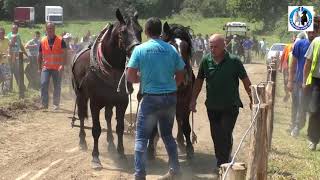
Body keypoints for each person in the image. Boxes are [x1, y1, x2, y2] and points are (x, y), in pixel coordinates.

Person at [126, 17, 185, 180]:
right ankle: (175, 169)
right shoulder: (172, 49)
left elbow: (130, 76)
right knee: (167, 135)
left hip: (151, 99)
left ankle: (139, 174)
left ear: (145, 31)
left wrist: (141, 78)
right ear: (160, 32)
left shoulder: (140, 49)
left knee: (141, 138)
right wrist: (174, 84)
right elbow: (181, 72)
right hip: (170, 98)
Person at [189, 34, 252, 169]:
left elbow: (246, 81)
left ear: (224, 45)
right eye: (210, 46)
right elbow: (199, 82)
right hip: (212, 106)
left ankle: (223, 163)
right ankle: (222, 160)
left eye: (215, 47)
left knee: (225, 133)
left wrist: (253, 98)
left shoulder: (234, 61)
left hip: (230, 106)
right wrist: (193, 99)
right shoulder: (206, 61)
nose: (212, 49)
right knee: (216, 136)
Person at [37, 22, 67, 110]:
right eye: (48, 28)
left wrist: (62, 65)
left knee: (57, 86)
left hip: (57, 68)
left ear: (54, 29)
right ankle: (44, 104)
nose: (50, 30)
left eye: (52, 28)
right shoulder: (42, 41)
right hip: (46, 67)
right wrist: (39, 68)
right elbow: (39, 55)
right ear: (46, 30)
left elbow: (65, 54)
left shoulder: (61, 41)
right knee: (43, 83)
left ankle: (56, 104)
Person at [287, 31, 311, 137]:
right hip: (298, 80)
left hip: (311, 82)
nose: (313, 32)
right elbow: (293, 63)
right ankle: (293, 124)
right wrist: (290, 81)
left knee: (302, 105)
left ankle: (297, 126)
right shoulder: (299, 44)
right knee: (295, 104)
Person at [303, 24, 320, 151]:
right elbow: (308, 62)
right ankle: (313, 140)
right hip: (317, 82)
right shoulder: (316, 41)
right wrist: (304, 81)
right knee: (314, 111)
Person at [7, 24, 28, 91]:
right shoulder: (9, 36)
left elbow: (21, 45)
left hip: (17, 57)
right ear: (11, 29)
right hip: (10, 57)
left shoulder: (18, 36)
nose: (16, 30)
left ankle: (21, 87)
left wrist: (26, 54)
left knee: (17, 72)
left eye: (17, 29)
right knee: (10, 73)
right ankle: (9, 89)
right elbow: (9, 45)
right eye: (14, 29)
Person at [0, 27, 10, 94]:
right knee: (2, 77)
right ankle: (2, 91)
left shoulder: (7, 40)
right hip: (0, 62)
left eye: (3, 33)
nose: (1, 34)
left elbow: (9, 48)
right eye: (0, 33)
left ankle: (4, 91)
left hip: (6, 62)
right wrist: (1, 54)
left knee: (8, 76)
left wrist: (9, 53)